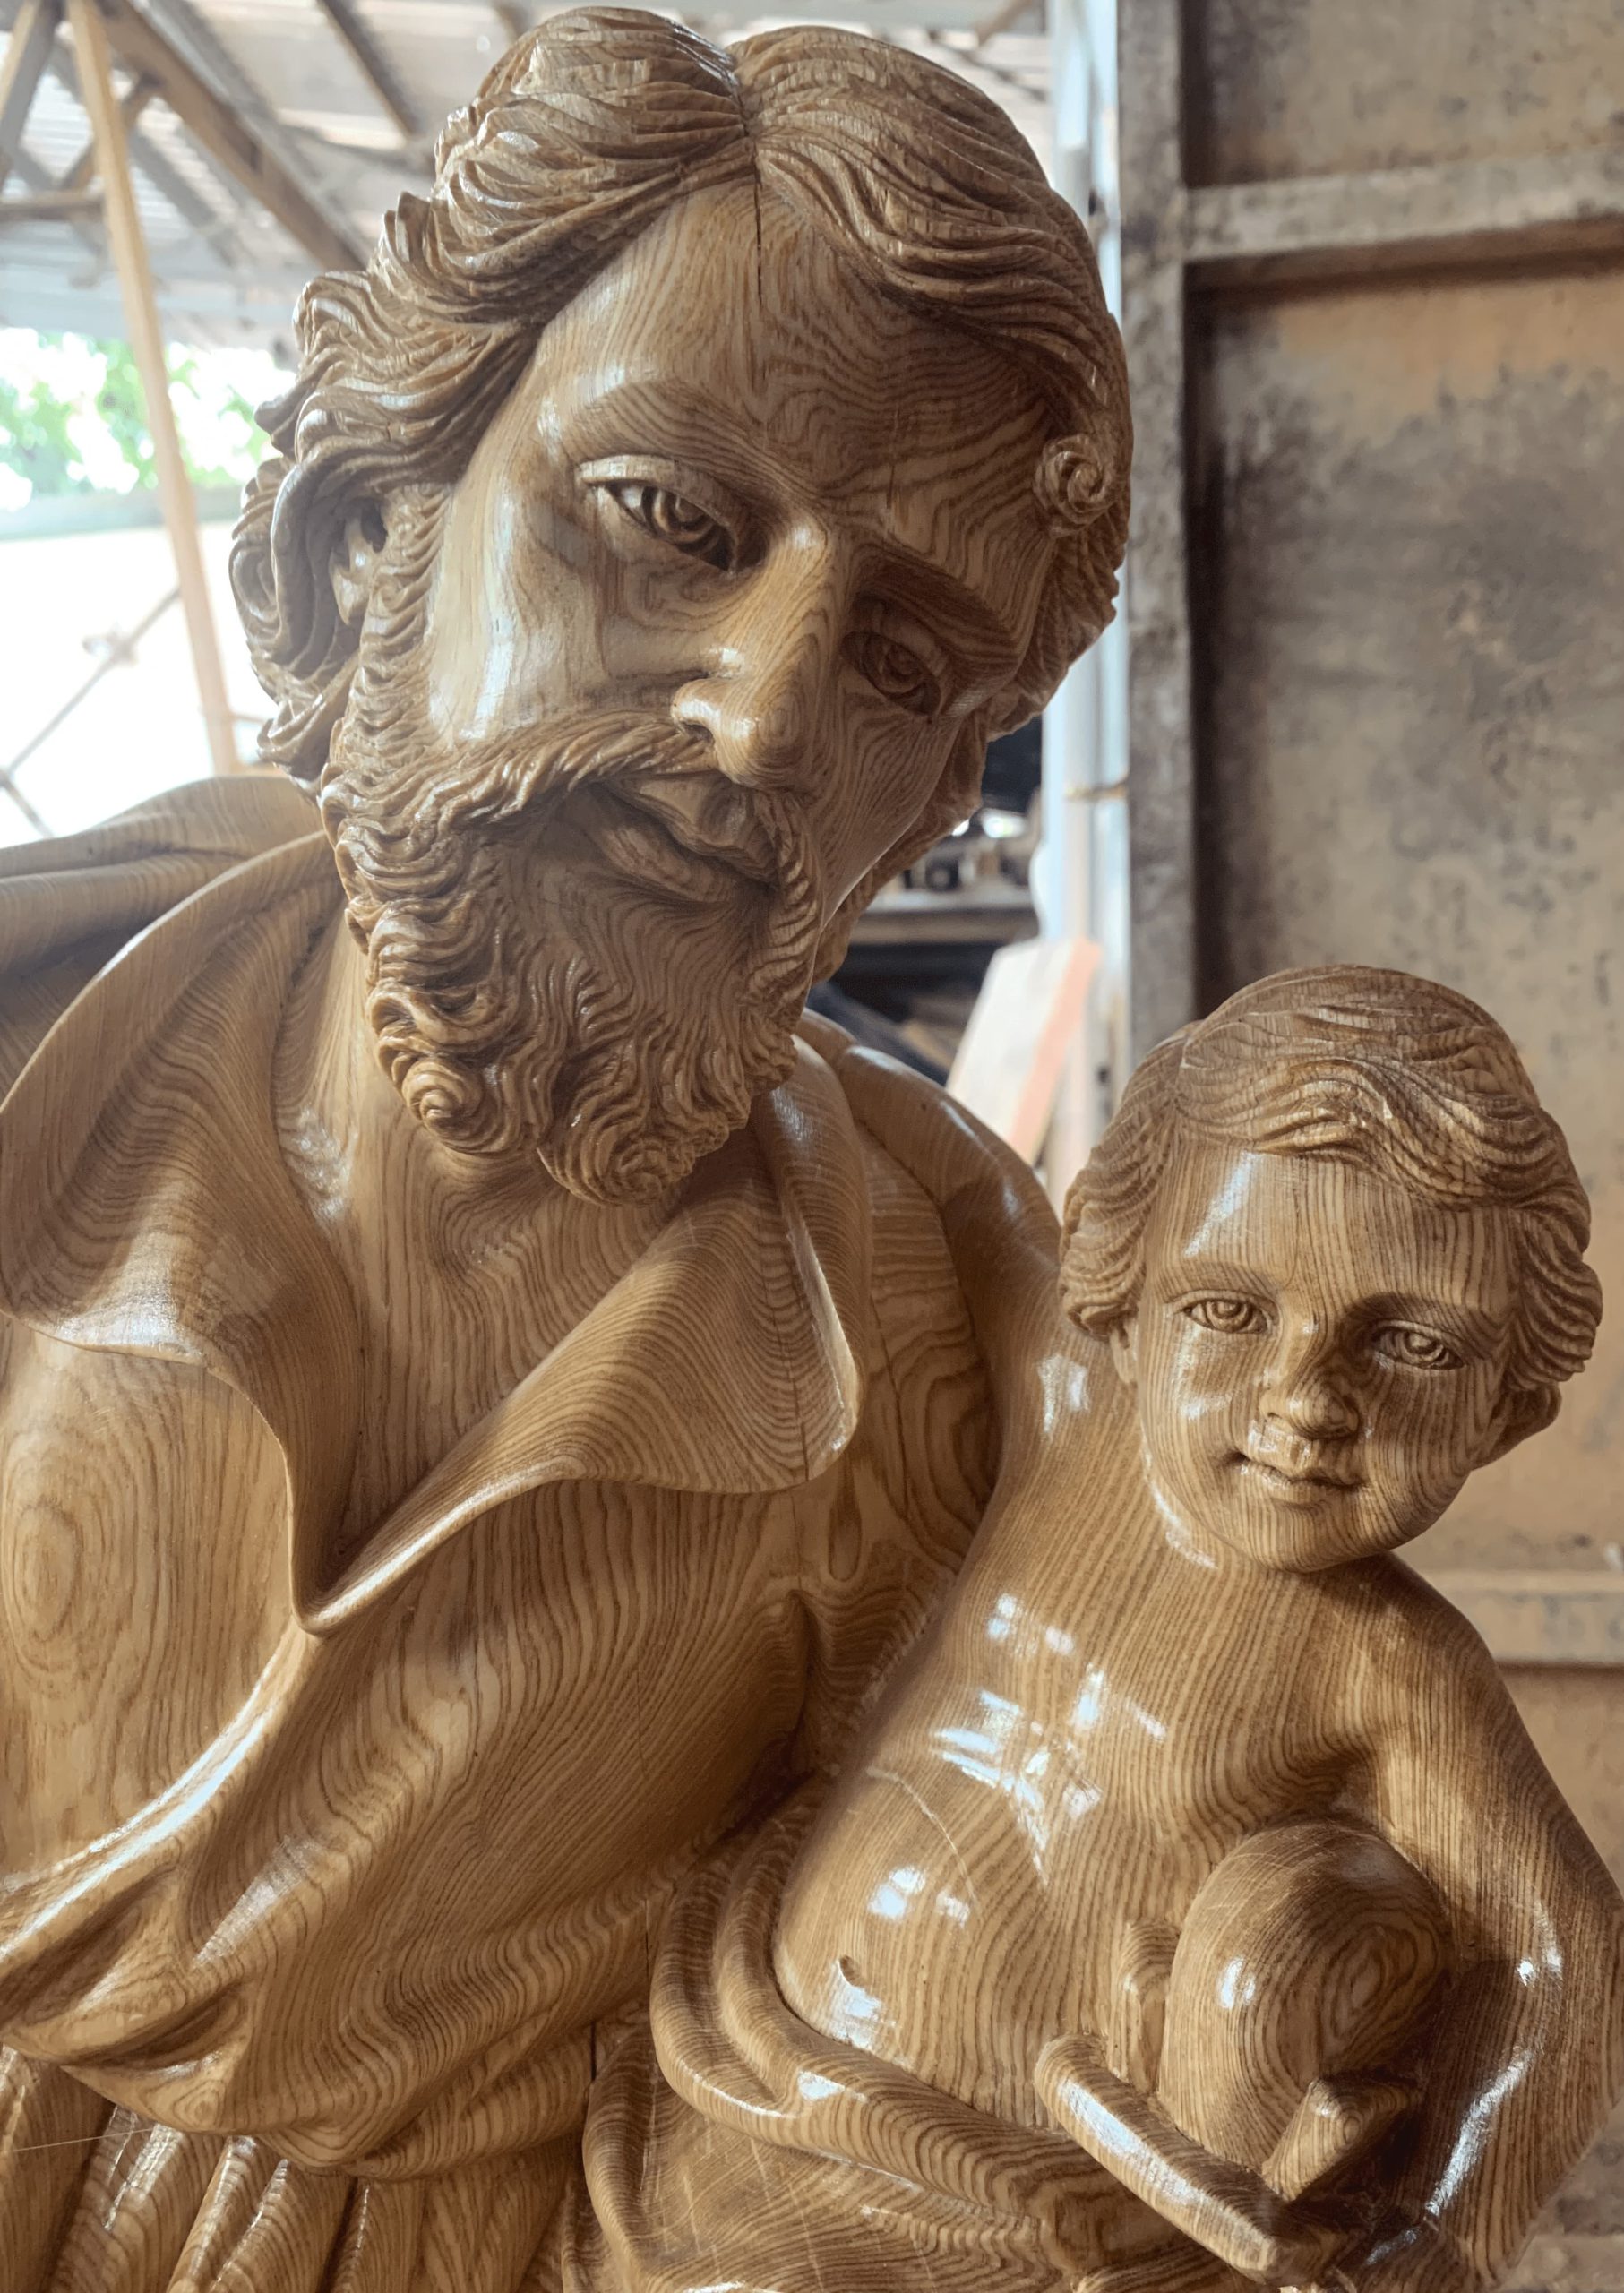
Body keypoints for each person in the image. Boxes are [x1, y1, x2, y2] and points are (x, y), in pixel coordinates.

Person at [0, 13, 1130, 2285]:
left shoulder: (964, 1349)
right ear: (362, 535)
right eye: (671, 523)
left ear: (933, 806)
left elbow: (1046, 1951)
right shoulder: (40, 1070)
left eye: (901, 667)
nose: (766, 716)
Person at [600, 968, 1624, 2292]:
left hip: (1065, 2230)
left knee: (1323, 1901)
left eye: (1414, 1346)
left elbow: (1566, 1964)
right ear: (1123, 1300)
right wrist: (728, 1013)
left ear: (1510, 1408)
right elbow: (946, 1165)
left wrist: (1443, 2233)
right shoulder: (1065, 1399)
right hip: (753, 2090)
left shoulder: (1392, 1668)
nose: (1306, 1397)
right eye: (1229, 1311)